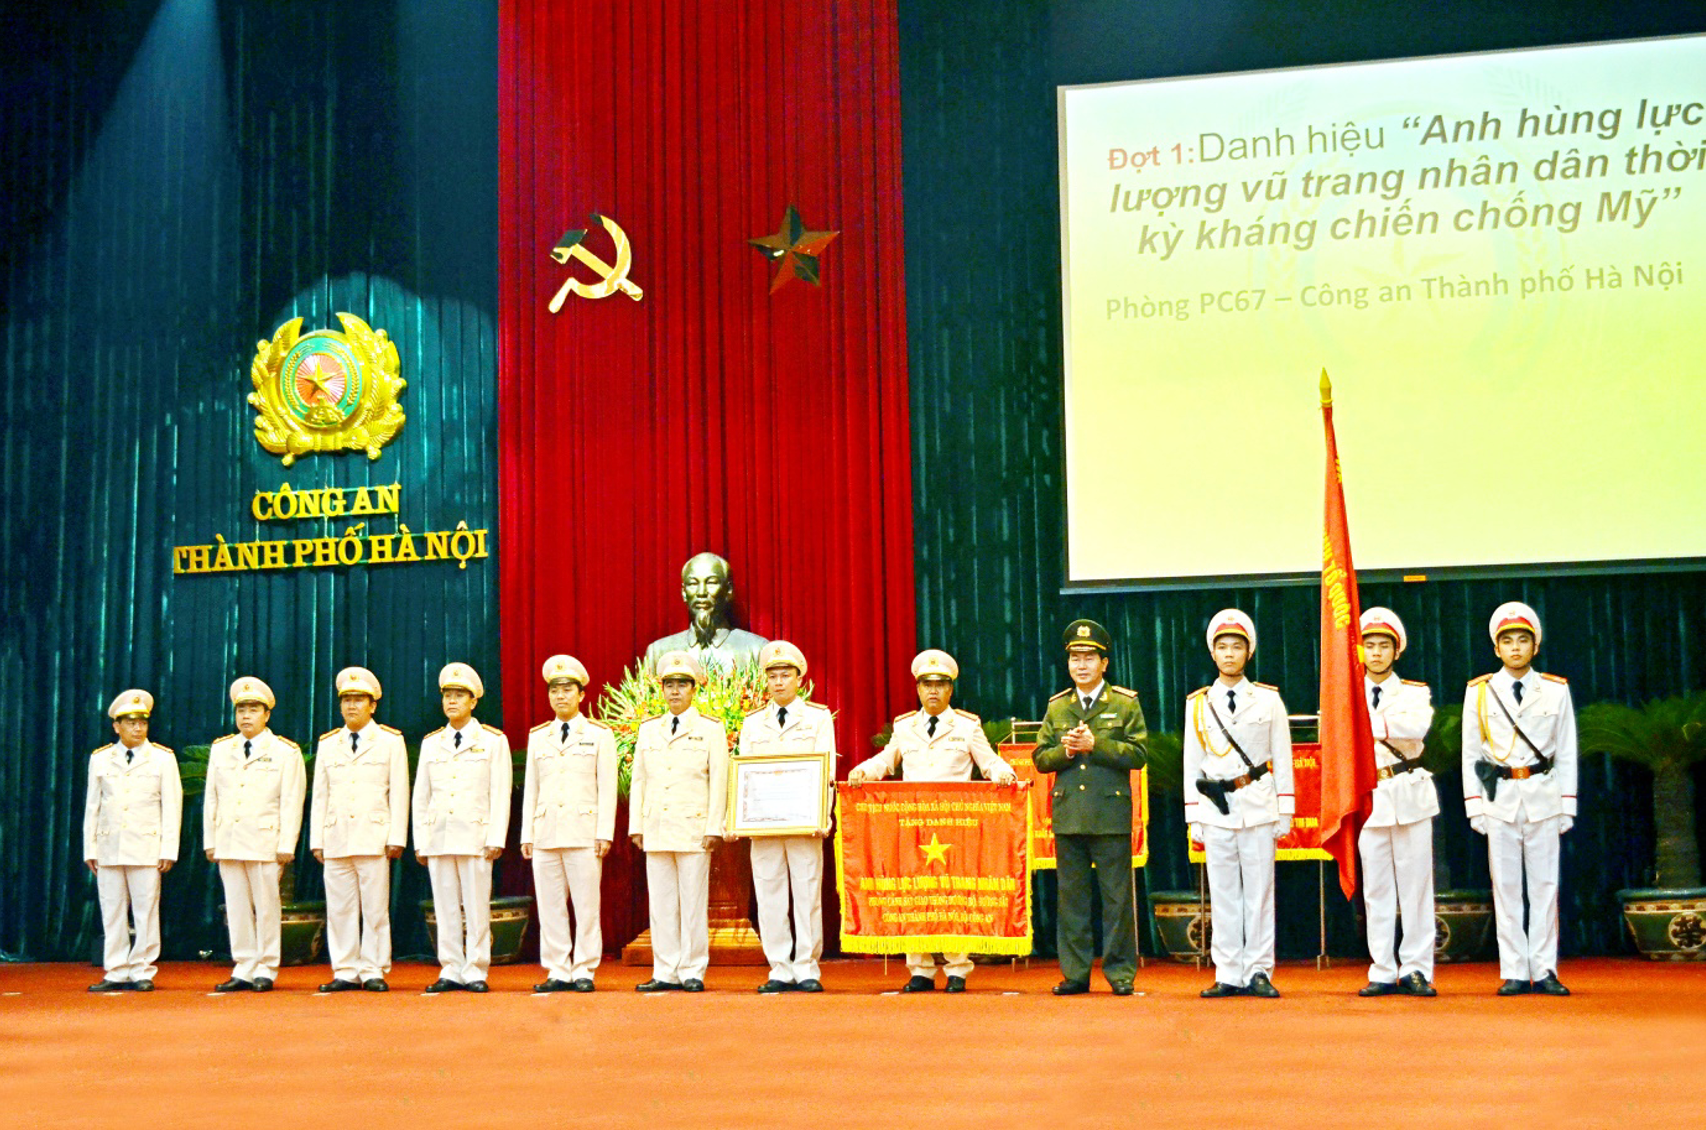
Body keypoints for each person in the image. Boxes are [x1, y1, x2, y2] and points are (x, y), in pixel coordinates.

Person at [847, 648, 1017, 993]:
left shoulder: (967, 726)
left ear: (950, 689)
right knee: (915, 892)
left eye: (940, 684)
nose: (933, 691)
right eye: (927, 685)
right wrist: (863, 771)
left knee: (952, 893)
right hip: (913, 824)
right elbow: (886, 760)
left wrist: (1004, 773)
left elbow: (989, 762)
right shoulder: (905, 727)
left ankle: (957, 969)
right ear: (918, 688)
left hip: (955, 824)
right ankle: (920, 970)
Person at [1462, 601, 1577, 997]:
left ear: (1535, 646)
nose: (1515, 647)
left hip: (1543, 795)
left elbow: (1566, 750)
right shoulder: (1479, 692)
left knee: (1545, 887)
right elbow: (1471, 753)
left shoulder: (1555, 690)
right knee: (1506, 888)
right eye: (1507, 641)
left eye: (1522, 640)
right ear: (1496, 648)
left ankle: (1544, 969)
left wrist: (1567, 803)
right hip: (1500, 798)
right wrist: (1474, 805)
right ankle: (1513, 969)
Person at [1032, 619, 1147, 997]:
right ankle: (1075, 974)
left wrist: (1096, 745)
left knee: (1117, 901)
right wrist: (1066, 751)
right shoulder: (1058, 706)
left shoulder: (1124, 703)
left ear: (1104, 663)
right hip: (1070, 815)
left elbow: (1138, 754)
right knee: (1072, 902)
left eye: (1089, 658)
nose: (1081, 665)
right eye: (1075, 658)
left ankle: (1120, 973)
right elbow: (1040, 758)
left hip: (1110, 815)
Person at [1183, 610, 1294, 999]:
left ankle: (1259, 970)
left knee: (1260, 893)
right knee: (1223, 894)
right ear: (1212, 653)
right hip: (1215, 807)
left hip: (1258, 804)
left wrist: (1285, 808)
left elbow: (1283, 756)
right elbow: (1192, 762)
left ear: (1249, 652)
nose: (1229, 654)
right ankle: (1228, 971)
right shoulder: (1198, 703)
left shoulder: (1268, 699)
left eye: (1237, 647)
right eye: (1223, 647)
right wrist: (1193, 815)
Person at [733, 641, 837, 994]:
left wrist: (823, 816)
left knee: (807, 893)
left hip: (804, 821)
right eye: (773, 676)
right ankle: (779, 966)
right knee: (769, 894)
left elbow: (826, 771)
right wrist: (742, 817)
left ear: (799, 679)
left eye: (785, 675)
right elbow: (745, 774)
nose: (779, 682)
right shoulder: (752, 723)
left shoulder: (818, 718)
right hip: (764, 823)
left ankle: (807, 966)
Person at [629, 650, 728, 992]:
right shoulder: (649, 730)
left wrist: (714, 826)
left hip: (693, 828)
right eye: (669, 684)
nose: (674, 691)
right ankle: (665, 970)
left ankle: (692, 970)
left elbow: (719, 781)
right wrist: (637, 825)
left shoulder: (711, 729)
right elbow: (639, 779)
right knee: (661, 904)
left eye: (682, 684)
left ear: (694, 689)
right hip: (657, 826)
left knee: (692, 903)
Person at [1355, 608, 1439, 998]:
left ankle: (1417, 968)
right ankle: (1383, 969)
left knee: (1416, 888)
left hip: (1409, 792)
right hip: (1369, 798)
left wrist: (1363, 724)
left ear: (1396, 650)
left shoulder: (1414, 692)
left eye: (1383, 646)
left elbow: (1416, 726)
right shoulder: (1346, 693)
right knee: (1376, 891)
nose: (1376, 653)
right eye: (1369, 645)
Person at [521, 654, 617, 993]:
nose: (560, 696)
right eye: (554, 690)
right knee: (550, 906)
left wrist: (604, 832)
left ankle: (585, 969)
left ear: (581, 695)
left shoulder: (599, 735)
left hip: (583, 832)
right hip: (546, 831)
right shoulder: (539, 736)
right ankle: (558, 968)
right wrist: (527, 833)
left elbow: (607, 788)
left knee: (587, 905)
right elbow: (532, 788)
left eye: (567, 689)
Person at [310, 666, 409, 993]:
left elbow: (399, 792)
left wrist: (396, 836)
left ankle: (373, 968)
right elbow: (321, 795)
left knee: (375, 908)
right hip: (336, 836)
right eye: (346, 700)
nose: (352, 705)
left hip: (373, 836)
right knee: (339, 908)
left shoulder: (390, 741)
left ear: (373, 705)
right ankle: (345, 969)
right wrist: (317, 839)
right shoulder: (329, 743)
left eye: (359, 699)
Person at [413, 662, 511, 993]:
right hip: (440, 835)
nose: (452, 701)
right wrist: (421, 840)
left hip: (475, 835)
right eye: (448, 696)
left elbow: (500, 793)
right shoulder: (432, 743)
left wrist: (496, 836)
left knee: (476, 906)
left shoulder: (493, 741)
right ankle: (451, 967)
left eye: (459, 695)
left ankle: (476, 969)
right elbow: (422, 795)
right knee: (445, 907)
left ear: (474, 701)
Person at [205, 677, 307, 993]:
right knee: (236, 907)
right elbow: (212, 798)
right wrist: (211, 840)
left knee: (266, 907)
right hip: (229, 839)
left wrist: (287, 843)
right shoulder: (222, 749)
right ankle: (244, 965)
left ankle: (266, 967)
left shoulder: (285, 751)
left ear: (267, 714)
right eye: (241, 710)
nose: (246, 716)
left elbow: (291, 801)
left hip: (265, 841)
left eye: (253, 709)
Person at [83, 689, 181, 992]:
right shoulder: (101, 759)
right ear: (117, 726)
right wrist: (90, 848)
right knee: (111, 910)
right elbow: (93, 807)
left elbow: (172, 806)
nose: (138, 728)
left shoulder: (162, 758)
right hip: (110, 845)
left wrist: (168, 849)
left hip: (146, 846)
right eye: (130, 723)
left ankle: (142, 970)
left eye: (142, 723)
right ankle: (115, 970)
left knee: (145, 910)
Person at [642, 552, 768, 676]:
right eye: (693, 584)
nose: (701, 592)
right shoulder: (659, 652)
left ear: (728, 590)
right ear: (684, 592)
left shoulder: (756, 650)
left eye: (711, 582)